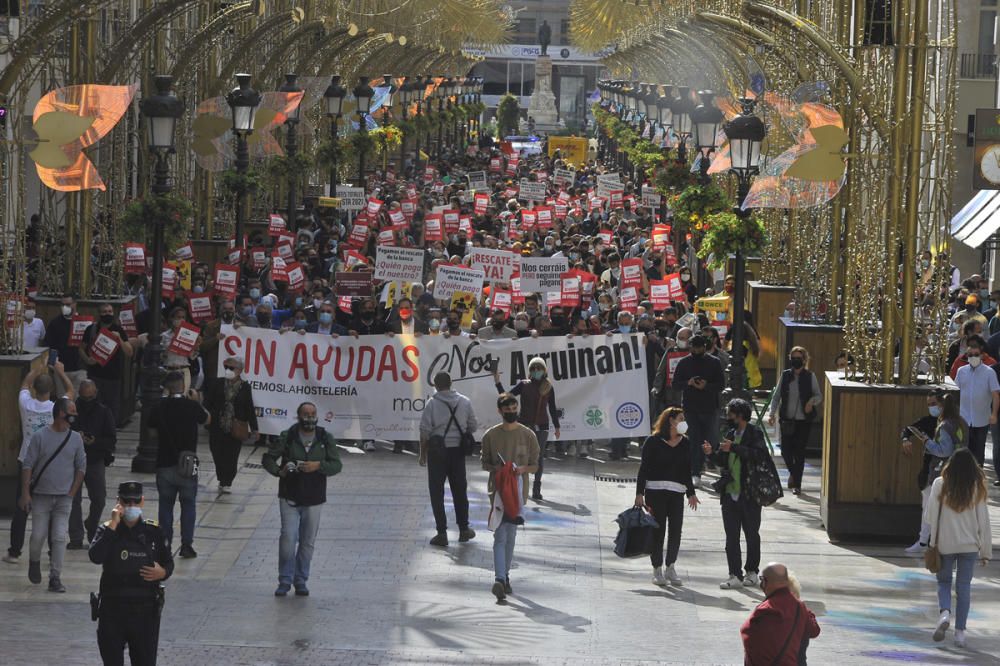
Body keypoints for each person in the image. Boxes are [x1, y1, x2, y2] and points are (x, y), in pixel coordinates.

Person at [262, 402, 343, 597]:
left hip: (314, 498)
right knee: (288, 539)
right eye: (305, 414)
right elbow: (267, 458)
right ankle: (284, 580)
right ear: (298, 416)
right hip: (290, 495)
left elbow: (337, 465)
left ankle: (301, 580)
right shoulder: (287, 436)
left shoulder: (325, 437)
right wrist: (279, 471)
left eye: (313, 413)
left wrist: (319, 466)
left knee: (307, 542)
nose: (309, 417)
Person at [89, 481, 173, 666]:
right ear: (118, 501)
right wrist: (113, 525)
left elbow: (168, 562)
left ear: (142, 502)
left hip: (144, 610)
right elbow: (96, 556)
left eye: (135, 502)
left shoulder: (154, 531)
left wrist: (163, 572)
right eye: (126, 502)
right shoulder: (107, 529)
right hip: (113, 608)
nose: (131, 507)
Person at [4, 363, 73, 565]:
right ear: (51, 390)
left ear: (35, 389)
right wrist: (59, 370)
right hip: (50, 464)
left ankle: (14, 552)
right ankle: (52, 552)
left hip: (27, 461)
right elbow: (71, 390)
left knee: (21, 507)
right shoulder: (57, 407)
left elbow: (25, 383)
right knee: (52, 507)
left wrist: (38, 369)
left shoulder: (25, 404)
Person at [925, 449, 992, 648]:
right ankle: (960, 633)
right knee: (964, 588)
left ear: (950, 465)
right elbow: (984, 522)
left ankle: (945, 613)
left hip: (945, 544)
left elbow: (930, 516)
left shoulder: (939, 484)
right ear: (973, 468)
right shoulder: (977, 487)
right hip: (969, 546)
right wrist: (985, 551)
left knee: (944, 581)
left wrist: (932, 543)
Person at [20, 396, 86, 592]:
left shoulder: (75, 439)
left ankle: (55, 577)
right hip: (41, 496)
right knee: (38, 535)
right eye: (71, 413)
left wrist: (72, 492)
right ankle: (34, 561)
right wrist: (25, 493)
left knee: (58, 537)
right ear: (60, 414)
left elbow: (81, 467)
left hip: (64, 498)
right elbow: (28, 465)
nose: (74, 416)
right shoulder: (40, 436)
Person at [704, 398, 770, 589]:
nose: (727, 417)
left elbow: (759, 455)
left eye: (730, 413)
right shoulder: (731, 433)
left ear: (740, 415)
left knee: (751, 534)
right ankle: (734, 574)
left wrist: (734, 448)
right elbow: (724, 461)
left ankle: (752, 572)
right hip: (730, 494)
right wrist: (711, 454)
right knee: (731, 536)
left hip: (749, 494)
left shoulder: (754, 433)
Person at [481, 393, 540, 602]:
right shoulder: (490, 435)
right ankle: (500, 578)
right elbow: (484, 462)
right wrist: (499, 469)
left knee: (510, 535)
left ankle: (504, 576)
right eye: (507, 410)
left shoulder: (528, 435)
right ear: (500, 411)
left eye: (514, 409)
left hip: (518, 491)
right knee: (500, 534)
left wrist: (520, 469)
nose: (511, 413)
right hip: (498, 492)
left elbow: (535, 464)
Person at [634, 407, 700, 587]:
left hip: (676, 493)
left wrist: (691, 493)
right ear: (671, 421)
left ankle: (671, 566)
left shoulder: (685, 442)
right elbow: (644, 468)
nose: (683, 422)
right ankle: (657, 568)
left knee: (676, 530)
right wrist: (639, 493)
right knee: (658, 531)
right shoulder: (653, 441)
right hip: (655, 493)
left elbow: (687, 469)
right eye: (680, 418)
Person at [150, 372, 210, 558]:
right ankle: (186, 545)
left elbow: (151, 433)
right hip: (188, 463)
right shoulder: (191, 406)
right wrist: (198, 401)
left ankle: (166, 544)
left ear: (167, 387)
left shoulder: (159, 406)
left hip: (165, 463)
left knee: (165, 505)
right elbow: (207, 420)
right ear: (183, 386)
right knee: (189, 504)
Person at [901, 391, 966, 555]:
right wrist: (905, 439)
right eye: (928, 404)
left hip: (939, 471)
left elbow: (943, 451)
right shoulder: (960, 422)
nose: (931, 408)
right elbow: (908, 429)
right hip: (957, 469)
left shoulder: (944, 425)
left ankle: (925, 542)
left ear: (942, 405)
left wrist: (926, 442)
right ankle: (936, 543)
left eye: (934, 404)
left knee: (930, 508)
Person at [418, 371, 477, 546]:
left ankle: (442, 532)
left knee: (437, 493)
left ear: (435, 385)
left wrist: (423, 455)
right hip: (458, 452)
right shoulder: (464, 402)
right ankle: (464, 529)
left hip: (437, 453)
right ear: (451, 383)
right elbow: (472, 426)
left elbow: (424, 431)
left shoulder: (432, 403)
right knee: (459, 491)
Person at [493, 357, 560, 500]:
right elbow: (506, 397)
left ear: (544, 370)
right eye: (533, 368)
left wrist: (557, 426)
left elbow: (552, 408)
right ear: (529, 371)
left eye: (539, 368)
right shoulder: (524, 385)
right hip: (524, 425)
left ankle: (536, 488)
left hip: (542, 426)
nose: (536, 371)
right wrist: (497, 382)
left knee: (539, 457)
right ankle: (519, 485)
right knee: (520, 455)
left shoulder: (548, 387)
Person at [740, 562, 821, 665]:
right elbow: (815, 631)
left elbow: (748, 635)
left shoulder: (764, 610)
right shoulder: (800, 611)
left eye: (763, 580)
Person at [68, 380, 116, 548]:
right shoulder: (72, 411)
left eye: (90, 397)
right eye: (84, 397)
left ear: (95, 394)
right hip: (74, 461)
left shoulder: (103, 412)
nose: (87, 400)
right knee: (73, 500)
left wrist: (95, 442)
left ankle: (91, 524)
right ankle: (75, 537)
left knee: (99, 499)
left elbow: (111, 440)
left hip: (95, 460)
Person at [767, 346, 822, 495]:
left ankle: (797, 483)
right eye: (793, 358)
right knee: (785, 450)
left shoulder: (810, 376)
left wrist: (811, 402)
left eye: (799, 358)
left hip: (804, 421)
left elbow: (818, 395)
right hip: (787, 420)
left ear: (804, 360)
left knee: (799, 452)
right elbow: (777, 396)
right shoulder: (785, 376)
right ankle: (793, 473)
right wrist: (772, 413)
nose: (795, 361)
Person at [672, 334, 725, 488]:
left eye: (699, 347)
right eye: (693, 347)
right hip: (691, 408)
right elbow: (676, 384)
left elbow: (721, 385)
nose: (696, 350)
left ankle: (714, 467)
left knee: (710, 440)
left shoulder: (714, 362)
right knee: (695, 440)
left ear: (704, 347)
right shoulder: (684, 362)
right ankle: (695, 472)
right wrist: (688, 383)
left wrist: (706, 386)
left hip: (709, 407)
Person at [202, 357, 258, 494]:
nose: (228, 370)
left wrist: (255, 428)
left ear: (240, 370)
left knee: (232, 456)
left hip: (236, 426)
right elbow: (207, 403)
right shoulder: (217, 383)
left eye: (232, 368)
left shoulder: (245, 387)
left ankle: (227, 481)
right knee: (217, 452)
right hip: (217, 425)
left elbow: (249, 408)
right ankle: (221, 476)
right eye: (226, 367)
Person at [79, 301, 134, 425]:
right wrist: (87, 360)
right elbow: (81, 348)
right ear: (99, 314)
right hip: (95, 375)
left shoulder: (118, 330)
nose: (107, 314)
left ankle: (110, 432)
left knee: (112, 407)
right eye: (104, 312)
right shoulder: (92, 329)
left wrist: (119, 338)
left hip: (113, 377)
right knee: (94, 406)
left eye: (110, 312)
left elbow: (129, 352)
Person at [952, 343, 999, 466]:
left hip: (982, 419)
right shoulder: (961, 371)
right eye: (970, 355)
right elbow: (956, 393)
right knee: (963, 451)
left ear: (982, 355)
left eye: (976, 355)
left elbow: (995, 395)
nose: (973, 357)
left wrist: (994, 414)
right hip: (963, 418)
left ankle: (978, 481)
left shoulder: (989, 372)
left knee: (978, 452)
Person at [43, 294, 87, 395]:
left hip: (80, 369)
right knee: (63, 401)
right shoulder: (54, 323)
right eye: (62, 305)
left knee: (79, 402)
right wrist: (52, 364)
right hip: (61, 370)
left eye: (68, 304)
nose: (65, 307)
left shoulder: (84, 322)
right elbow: (48, 344)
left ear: (75, 304)